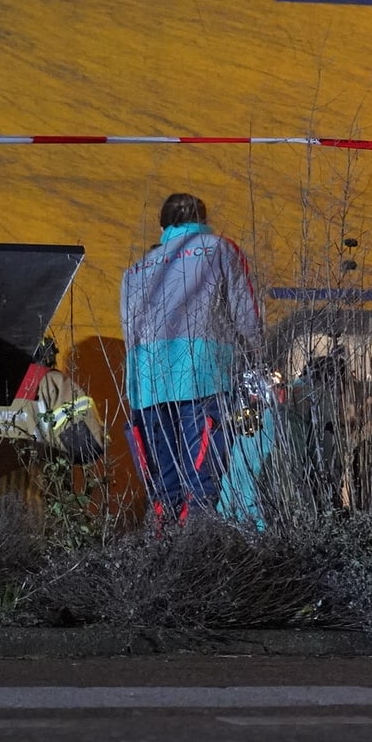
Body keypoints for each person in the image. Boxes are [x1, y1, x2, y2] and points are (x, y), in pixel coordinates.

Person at [119, 193, 264, 521]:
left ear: (162, 226)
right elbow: (245, 314)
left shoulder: (136, 269)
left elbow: (129, 331)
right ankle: (197, 561)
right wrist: (256, 358)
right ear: (203, 219)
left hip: (147, 384)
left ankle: (157, 560)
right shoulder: (220, 249)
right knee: (201, 483)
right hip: (203, 375)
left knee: (162, 487)